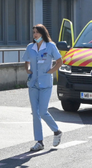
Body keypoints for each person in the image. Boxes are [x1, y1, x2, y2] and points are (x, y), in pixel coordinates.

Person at [22, 24, 64, 152]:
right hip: (33, 84)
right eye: (34, 32)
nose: (35, 35)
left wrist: (51, 72)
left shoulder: (50, 46)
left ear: (43, 33)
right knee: (35, 113)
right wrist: (28, 70)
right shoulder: (30, 47)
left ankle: (56, 131)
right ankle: (39, 142)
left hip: (45, 84)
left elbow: (60, 61)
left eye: (37, 32)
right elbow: (26, 60)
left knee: (42, 111)